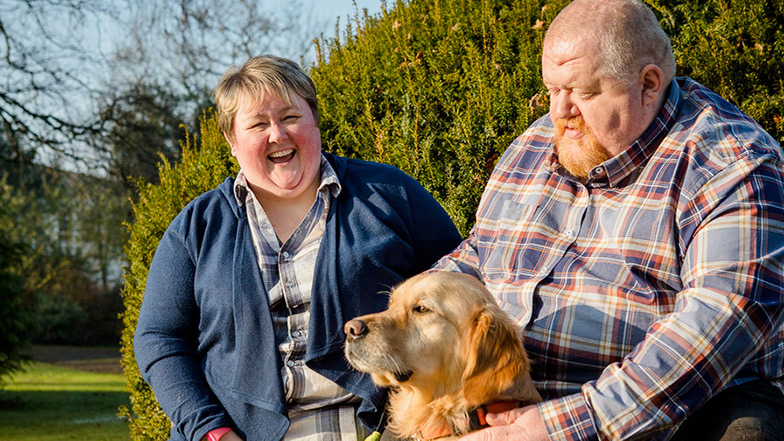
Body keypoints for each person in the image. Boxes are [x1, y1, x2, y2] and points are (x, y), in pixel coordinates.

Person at [432, 1, 784, 440]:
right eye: (551, 89)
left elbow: (718, 322)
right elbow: (479, 254)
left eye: (583, 92)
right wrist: (407, 319)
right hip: (509, 391)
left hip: (678, 409)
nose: (560, 112)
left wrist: (565, 425)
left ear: (649, 84)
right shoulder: (535, 144)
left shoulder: (731, 164)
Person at [133, 55, 462, 441]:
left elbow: (460, 286)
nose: (278, 134)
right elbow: (159, 338)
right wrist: (211, 431)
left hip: (386, 427)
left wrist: (441, 409)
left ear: (314, 119)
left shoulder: (390, 194)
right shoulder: (198, 227)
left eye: (290, 117)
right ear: (232, 141)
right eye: (258, 124)